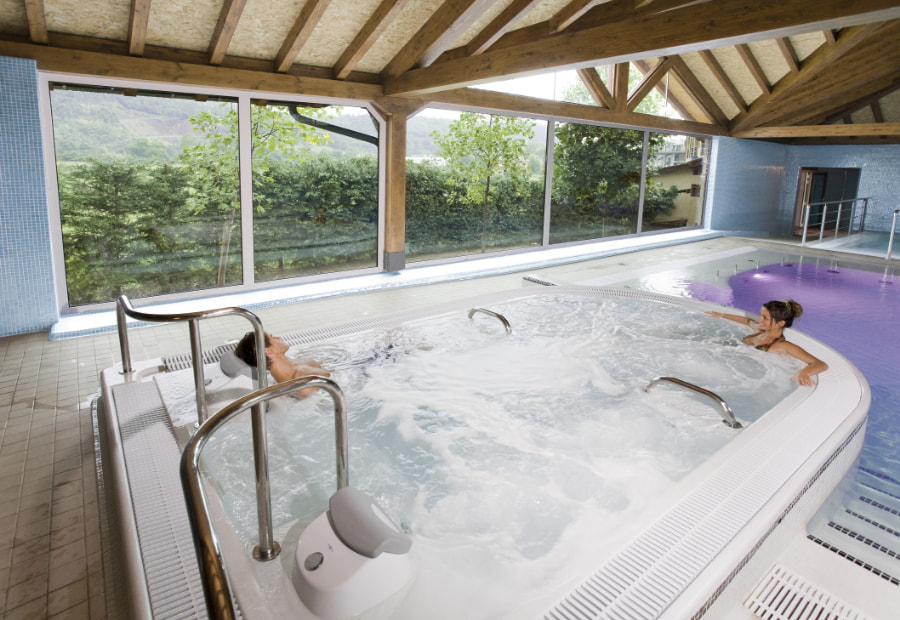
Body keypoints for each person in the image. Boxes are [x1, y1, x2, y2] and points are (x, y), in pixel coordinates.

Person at [708, 300, 828, 387]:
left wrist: (805, 373)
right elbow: (747, 321)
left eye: (764, 318)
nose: (759, 320)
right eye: (761, 315)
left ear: (780, 323)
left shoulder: (782, 345)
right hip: (727, 353)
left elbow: (820, 364)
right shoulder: (760, 330)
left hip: (742, 373)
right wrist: (722, 315)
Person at [233, 331, 330, 397]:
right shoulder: (303, 387)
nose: (278, 338)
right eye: (272, 338)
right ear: (268, 352)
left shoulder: (291, 364)